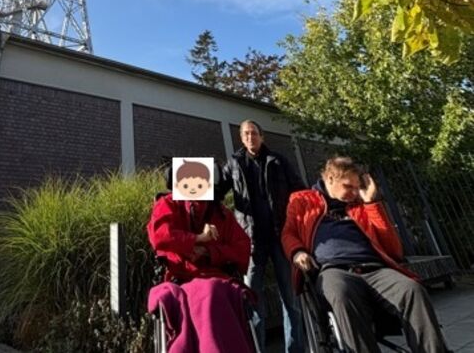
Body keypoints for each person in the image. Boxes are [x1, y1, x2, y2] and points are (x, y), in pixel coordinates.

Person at [282, 156, 448, 353]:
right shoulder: (302, 200)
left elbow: (394, 248)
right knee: (341, 294)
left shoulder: (361, 203)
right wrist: (298, 251)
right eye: (348, 186)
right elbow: (289, 232)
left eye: (356, 187)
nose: (354, 192)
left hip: (375, 268)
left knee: (412, 290)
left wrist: (371, 203)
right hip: (333, 270)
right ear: (330, 179)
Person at [216, 120, 305, 353]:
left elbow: (299, 190)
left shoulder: (278, 161)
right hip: (251, 240)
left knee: (290, 298)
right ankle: (257, 349)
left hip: (280, 235)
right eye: (245, 134)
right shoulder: (234, 164)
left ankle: (294, 349)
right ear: (241, 138)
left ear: (261, 136)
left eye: (253, 133)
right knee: (253, 299)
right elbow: (216, 192)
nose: (249, 137)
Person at [147, 164, 254, 352]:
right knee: (201, 293)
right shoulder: (168, 204)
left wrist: (209, 252)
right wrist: (197, 239)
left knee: (214, 290)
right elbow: (160, 236)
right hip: (180, 275)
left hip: (216, 276)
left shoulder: (221, 213)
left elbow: (241, 246)